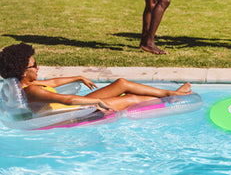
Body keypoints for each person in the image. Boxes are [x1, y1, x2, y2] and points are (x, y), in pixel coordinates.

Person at [0, 43, 192, 112]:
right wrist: (100, 102)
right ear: (23, 71)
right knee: (129, 99)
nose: (38, 67)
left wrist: (78, 76)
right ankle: (170, 99)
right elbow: (66, 100)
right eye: (34, 65)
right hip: (76, 111)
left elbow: (52, 83)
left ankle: (169, 92)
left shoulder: (27, 83)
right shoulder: (32, 90)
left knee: (121, 83)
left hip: (76, 105)